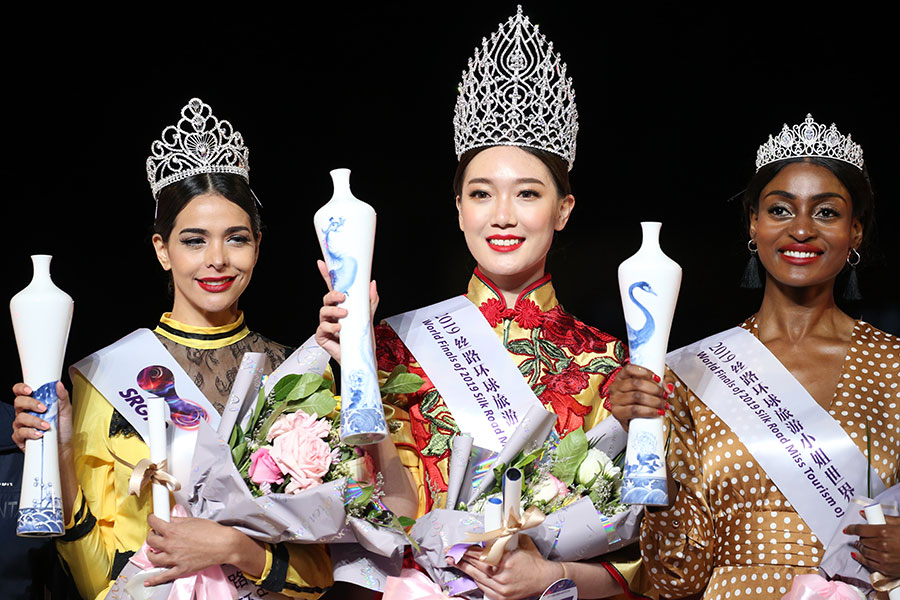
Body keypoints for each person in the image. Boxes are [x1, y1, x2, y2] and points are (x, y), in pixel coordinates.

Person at [10, 98, 411, 600]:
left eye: (236, 239)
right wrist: (60, 453)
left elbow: (327, 571)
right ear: (162, 250)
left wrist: (234, 548)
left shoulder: (300, 373)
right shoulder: (106, 376)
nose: (217, 259)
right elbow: (94, 578)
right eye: (194, 241)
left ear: (258, 246)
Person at [317, 9, 645, 600]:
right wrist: (357, 361)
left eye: (528, 194)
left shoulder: (609, 364)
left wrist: (549, 575)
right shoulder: (394, 343)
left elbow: (637, 558)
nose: (503, 216)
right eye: (481, 194)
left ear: (563, 210)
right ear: (459, 209)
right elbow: (366, 516)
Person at [609, 114, 900, 600]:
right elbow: (674, 577)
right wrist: (644, 439)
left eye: (826, 213)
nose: (801, 229)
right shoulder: (692, 372)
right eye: (780, 210)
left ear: (856, 232)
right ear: (753, 223)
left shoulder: (894, 367)